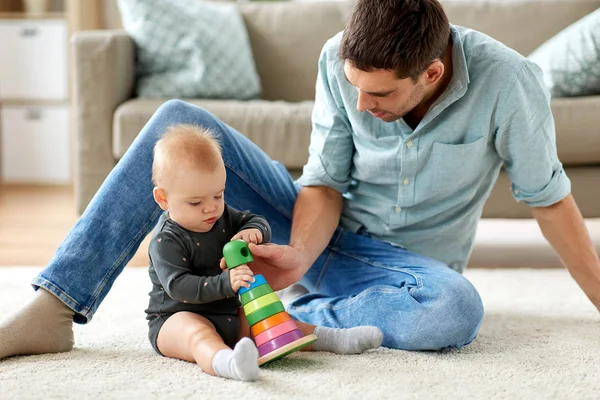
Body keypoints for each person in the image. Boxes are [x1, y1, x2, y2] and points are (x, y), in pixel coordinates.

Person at [1, 0, 599, 360]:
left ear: (432, 72)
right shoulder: (338, 57)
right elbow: (324, 178)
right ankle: (55, 307)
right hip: (317, 225)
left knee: (454, 312)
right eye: (354, 86)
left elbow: (549, 202)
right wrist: (297, 254)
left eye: (381, 93)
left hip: (402, 269)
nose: (362, 104)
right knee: (177, 121)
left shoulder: (509, 83)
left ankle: (293, 318)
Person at [144, 124, 382, 381]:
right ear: (163, 199)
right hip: (174, 318)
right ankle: (229, 364)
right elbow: (178, 287)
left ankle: (334, 338)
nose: (211, 209)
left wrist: (254, 231)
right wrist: (226, 283)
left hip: (229, 313)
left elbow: (254, 220)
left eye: (218, 195)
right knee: (196, 334)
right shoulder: (165, 240)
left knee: (273, 318)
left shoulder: (220, 214)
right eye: (195, 202)